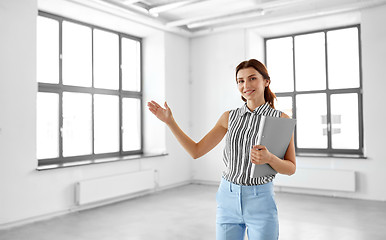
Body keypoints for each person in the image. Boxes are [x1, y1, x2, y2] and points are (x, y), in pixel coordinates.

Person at [147, 59, 296, 240]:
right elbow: (196, 151)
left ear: (266, 81)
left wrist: (270, 159)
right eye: (240, 81)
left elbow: (290, 168)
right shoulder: (229, 117)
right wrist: (170, 122)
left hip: (261, 201)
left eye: (252, 78)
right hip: (228, 198)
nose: (245, 85)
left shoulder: (280, 119)